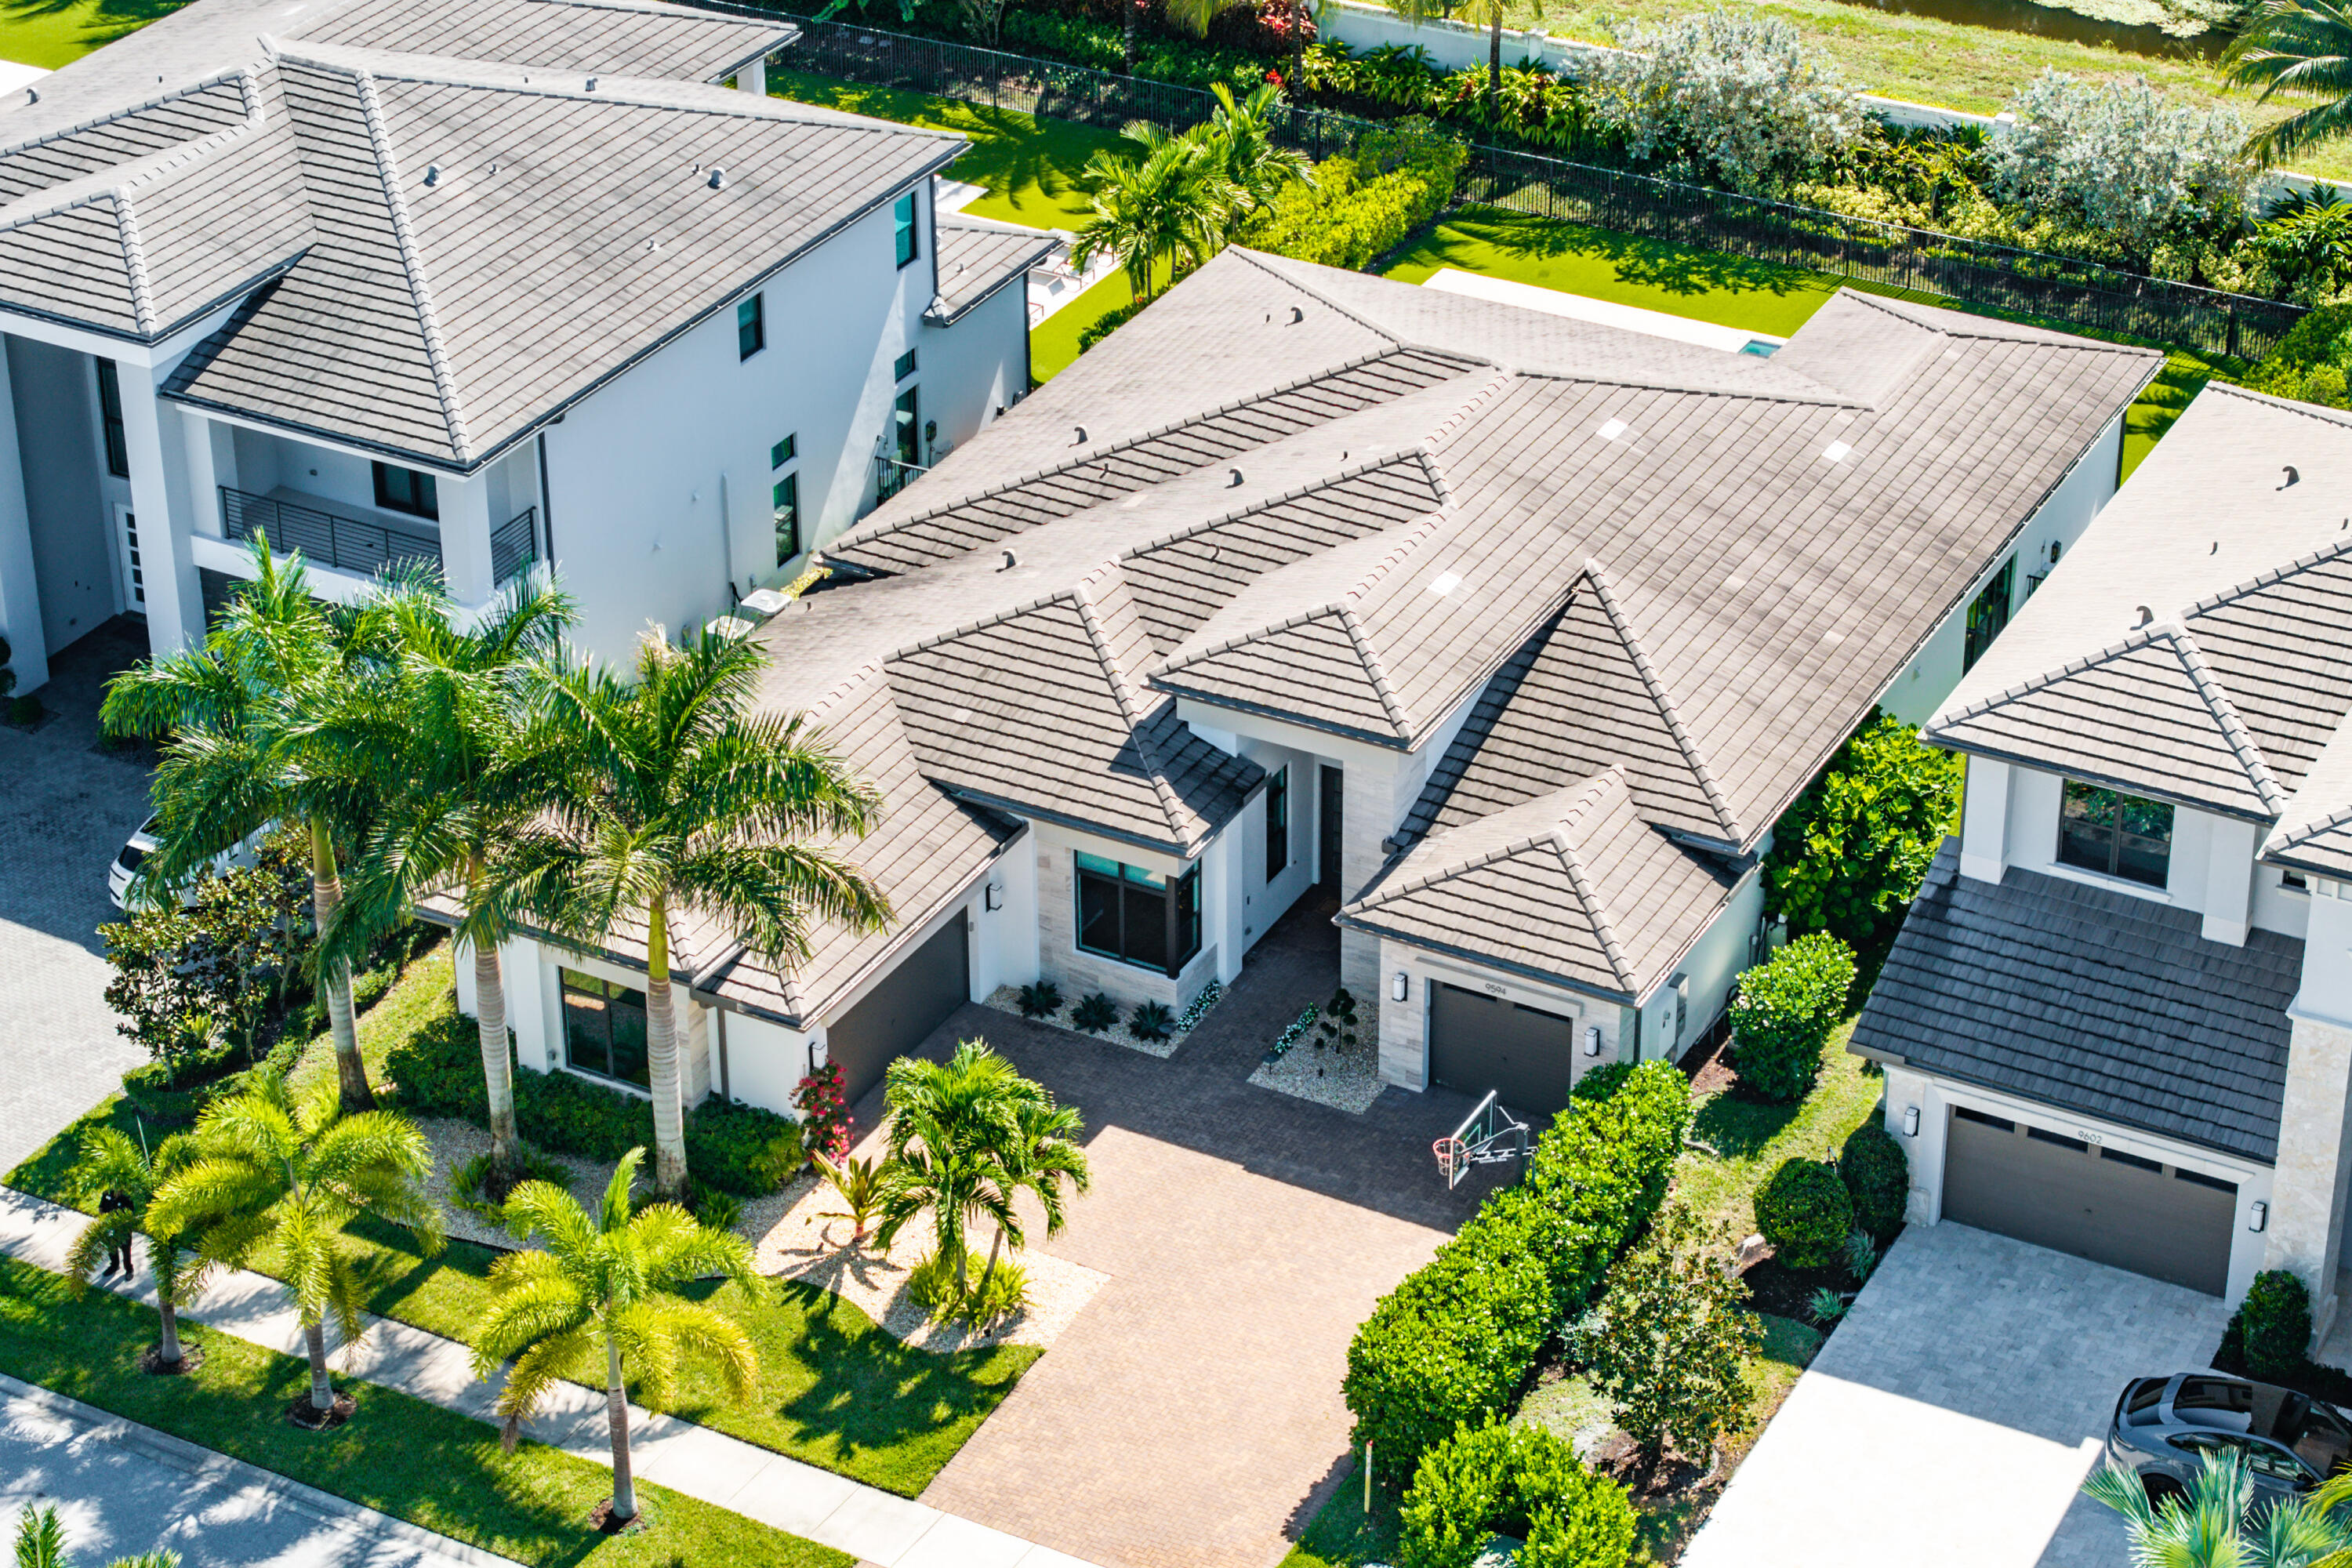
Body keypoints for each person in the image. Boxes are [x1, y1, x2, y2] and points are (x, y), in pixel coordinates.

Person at [96, 1189, 134, 1280]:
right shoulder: (107, 1194)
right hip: (110, 1227)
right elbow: (101, 1208)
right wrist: (105, 1219)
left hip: (123, 1229)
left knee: (126, 1250)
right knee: (111, 1248)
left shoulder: (126, 1198)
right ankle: (114, 1266)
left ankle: (129, 1270)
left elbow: (131, 1214)